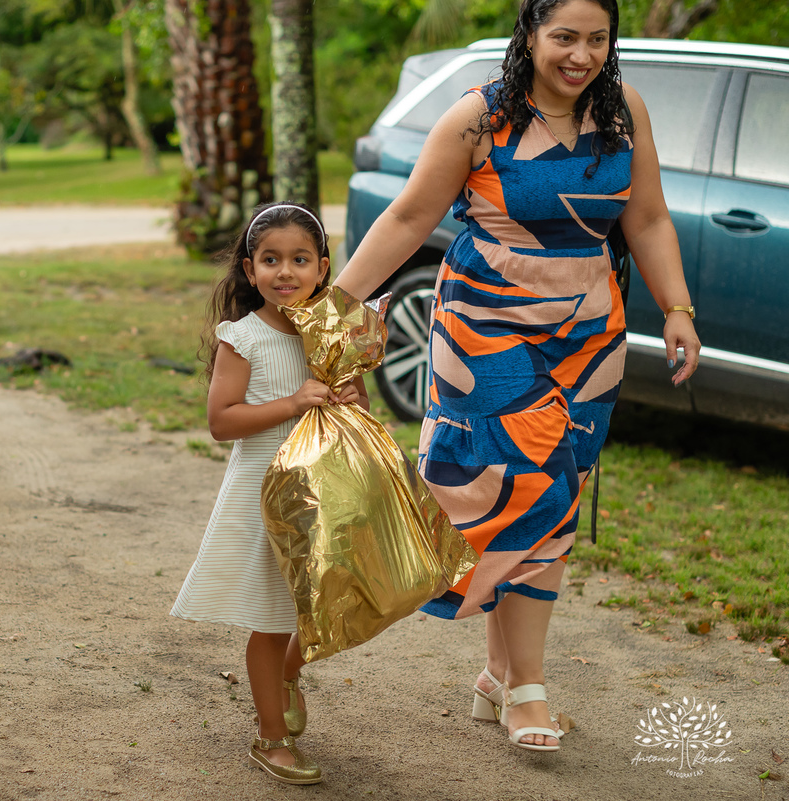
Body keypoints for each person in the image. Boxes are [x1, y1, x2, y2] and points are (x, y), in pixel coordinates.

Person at [335, 0, 700, 752]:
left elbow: (651, 219)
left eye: (598, 39)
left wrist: (677, 308)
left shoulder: (623, 110)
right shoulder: (479, 118)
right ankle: (527, 692)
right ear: (528, 35)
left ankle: (502, 672)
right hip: (487, 326)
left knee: (541, 491)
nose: (582, 54)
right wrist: (337, 305)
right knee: (528, 481)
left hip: (589, 335)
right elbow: (409, 218)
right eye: (564, 37)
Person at [171, 203, 369, 785]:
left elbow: (351, 405)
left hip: (321, 493)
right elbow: (222, 421)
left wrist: (353, 403)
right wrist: (291, 403)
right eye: (271, 260)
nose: (286, 272)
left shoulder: (331, 335)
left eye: (300, 260)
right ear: (249, 269)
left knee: (327, 609)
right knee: (273, 617)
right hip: (263, 494)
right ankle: (271, 738)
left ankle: (287, 676)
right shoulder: (245, 337)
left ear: (322, 267)